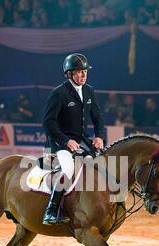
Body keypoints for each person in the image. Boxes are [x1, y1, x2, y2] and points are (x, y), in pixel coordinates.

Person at [42, 53, 105, 225]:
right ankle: (52, 210)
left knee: (95, 165)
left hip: (80, 142)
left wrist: (99, 136)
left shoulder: (89, 90)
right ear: (69, 74)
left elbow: (98, 117)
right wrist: (65, 141)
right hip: (59, 143)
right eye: (78, 72)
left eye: (85, 71)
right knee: (69, 169)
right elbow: (48, 123)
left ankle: (88, 207)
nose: (83, 75)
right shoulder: (59, 93)